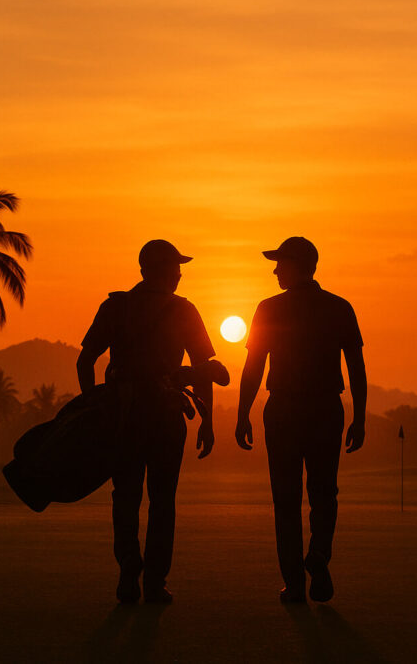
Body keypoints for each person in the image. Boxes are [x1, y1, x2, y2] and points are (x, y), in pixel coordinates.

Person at [77, 239, 216, 604]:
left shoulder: (116, 306)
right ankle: (154, 582)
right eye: (175, 268)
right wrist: (208, 419)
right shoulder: (185, 310)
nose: (180, 274)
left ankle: (128, 567)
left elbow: (85, 360)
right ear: (163, 272)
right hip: (167, 415)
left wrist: (93, 404)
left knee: (125, 496)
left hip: (122, 416)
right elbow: (203, 370)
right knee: (162, 500)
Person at [235, 236, 366, 603]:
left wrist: (243, 412)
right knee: (325, 492)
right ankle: (319, 556)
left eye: (280, 263)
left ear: (297, 265)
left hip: (285, 410)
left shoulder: (269, 308)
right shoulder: (338, 307)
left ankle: (294, 583)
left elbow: (254, 366)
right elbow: (356, 368)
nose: (275, 270)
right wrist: (360, 417)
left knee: (286, 499)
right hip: (327, 409)